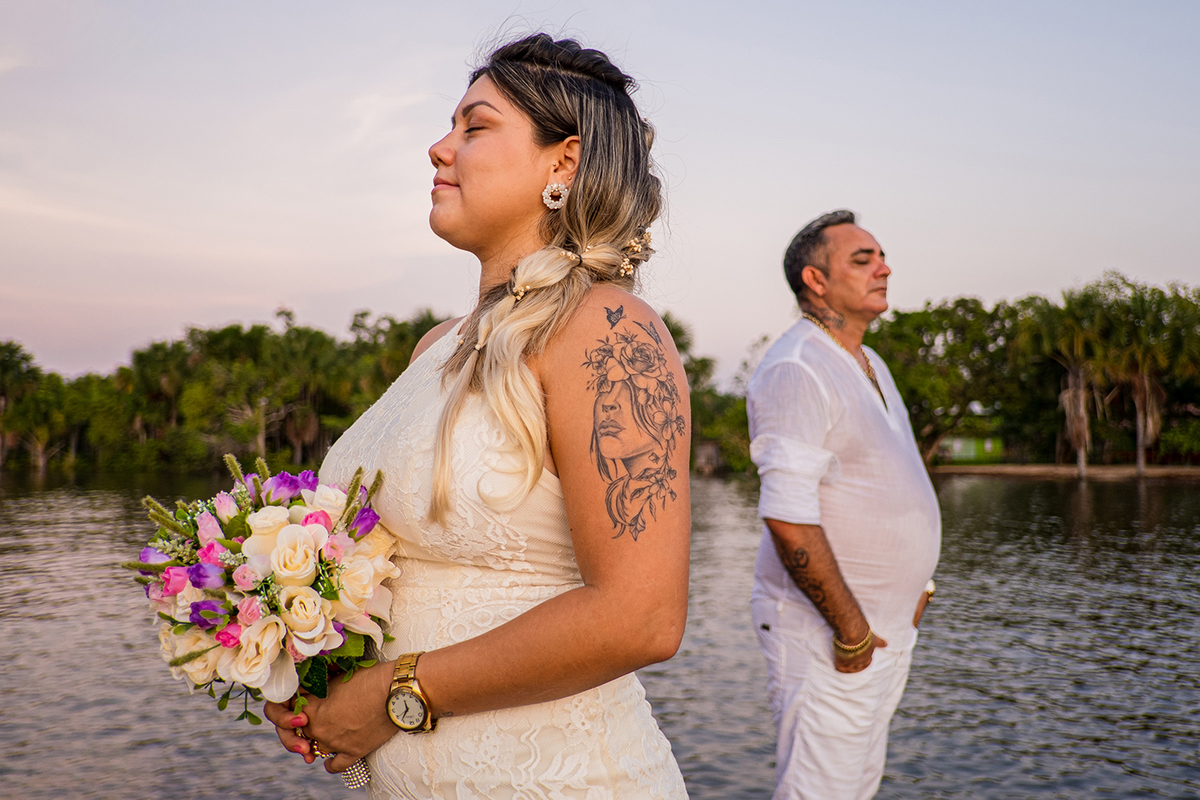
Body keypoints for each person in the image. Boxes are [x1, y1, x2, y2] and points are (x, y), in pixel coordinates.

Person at [263, 34, 691, 799]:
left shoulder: (608, 329)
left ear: (561, 164)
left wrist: (399, 691)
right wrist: (314, 669)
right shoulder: (436, 345)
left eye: (474, 126)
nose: (438, 147)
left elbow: (642, 616)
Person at [747, 210, 941, 800]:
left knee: (853, 789)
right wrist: (852, 628)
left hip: (881, 631)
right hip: (829, 635)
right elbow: (787, 515)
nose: (883, 268)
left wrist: (916, 592)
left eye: (882, 257)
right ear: (816, 280)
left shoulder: (869, 362)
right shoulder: (797, 367)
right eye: (863, 259)